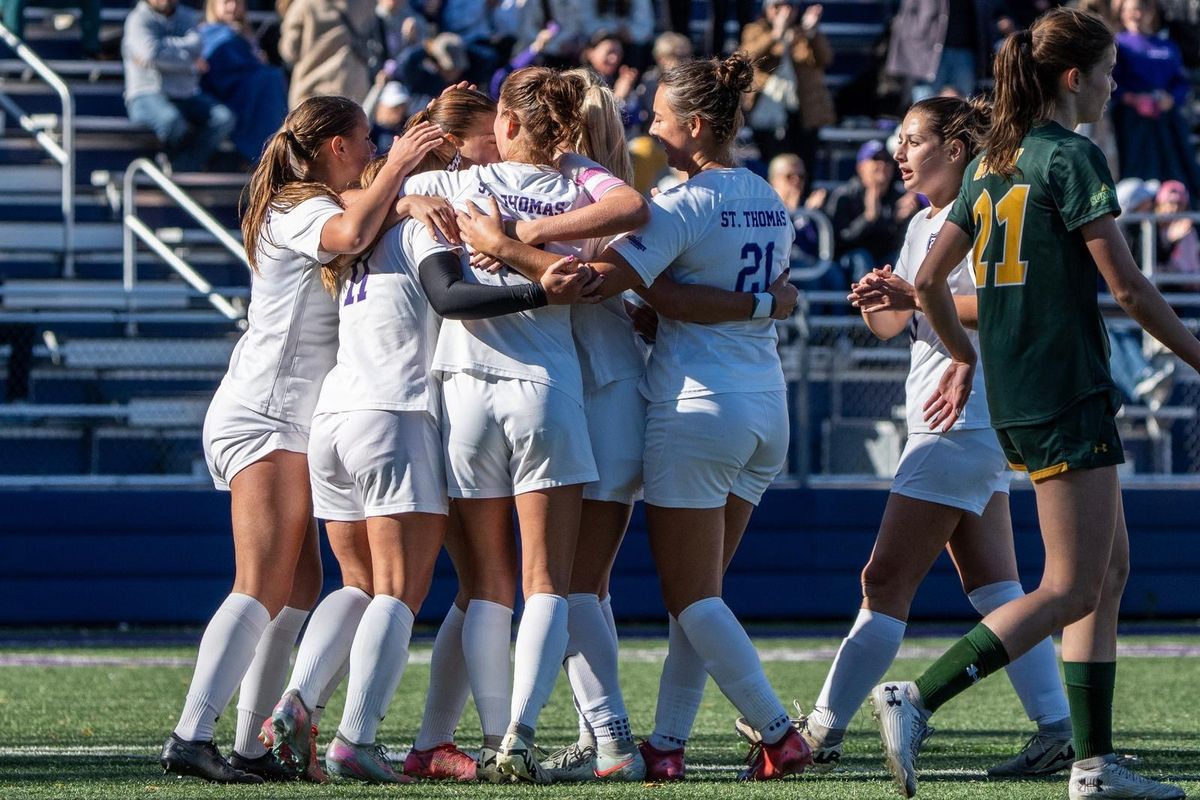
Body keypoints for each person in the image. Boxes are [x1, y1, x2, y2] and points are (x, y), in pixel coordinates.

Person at [454, 52, 810, 782]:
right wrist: (761, 304)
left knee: (675, 594)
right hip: (764, 402)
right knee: (698, 596)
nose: (650, 128)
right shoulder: (769, 198)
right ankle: (667, 746)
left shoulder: (678, 203)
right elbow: (724, 289)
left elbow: (591, 285)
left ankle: (778, 731)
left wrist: (500, 246)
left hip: (689, 405)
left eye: (662, 117)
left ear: (696, 123)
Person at [876, 9, 1198, 799]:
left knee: (1108, 571)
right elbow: (1126, 286)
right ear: (1073, 76)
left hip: (1023, 390)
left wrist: (957, 353)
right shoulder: (1069, 156)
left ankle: (1093, 765)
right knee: (1068, 587)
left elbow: (926, 284)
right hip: (1065, 386)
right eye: (1110, 70)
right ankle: (917, 697)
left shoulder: (993, 163)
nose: (1115, 83)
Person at [741, 96, 1074, 779]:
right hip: (953, 415)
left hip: (963, 415)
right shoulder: (925, 220)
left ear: (955, 150)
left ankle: (822, 732)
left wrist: (914, 296)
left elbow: (1004, 300)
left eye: (912, 140)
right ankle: (1058, 729)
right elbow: (899, 327)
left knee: (884, 577)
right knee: (996, 587)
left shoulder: (984, 210)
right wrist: (877, 301)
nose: (898, 152)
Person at [266, 141, 599, 785]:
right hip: (397, 413)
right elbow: (449, 297)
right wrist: (537, 292)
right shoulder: (423, 217)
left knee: (358, 584)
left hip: (335, 416)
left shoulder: (363, 219)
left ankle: (298, 699)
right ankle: (354, 740)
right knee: (400, 590)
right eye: (474, 149)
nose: (486, 164)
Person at [157, 95, 445, 785]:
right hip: (268, 411)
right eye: (367, 141)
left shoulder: (316, 202)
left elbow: (364, 224)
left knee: (299, 589)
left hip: (284, 412)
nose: (376, 149)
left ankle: (256, 748)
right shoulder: (297, 206)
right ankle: (191, 735)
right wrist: (402, 167)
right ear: (335, 147)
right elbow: (348, 234)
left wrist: (402, 199)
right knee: (259, 586)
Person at [397, 67, 649, 784]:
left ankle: (480, 736)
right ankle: (519, 735)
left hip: (464, 393)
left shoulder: (463, 185)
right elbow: (633, 206)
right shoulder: (579, 187)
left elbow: (368, 202)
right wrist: (539, 246)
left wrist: (413, 192)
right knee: (549, 582)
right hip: (547, 392)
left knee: (482, 583)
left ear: (504, 121)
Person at [123, 0, 236, 172]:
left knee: (223, 118)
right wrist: (189, 63)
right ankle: (168, 164)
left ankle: (182, 166)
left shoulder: (187, 16)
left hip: (186, 94)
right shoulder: (138, 19)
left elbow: (197, 45)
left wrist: (163, 50)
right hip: (145, 95)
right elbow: (151, 54)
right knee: (172, 121)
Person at [1112, 0, 1200, 197]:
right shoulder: (1118, 44)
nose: (1136, 15)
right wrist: (1133, 99)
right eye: (1131, 11)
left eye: (1140, 10)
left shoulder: (1167, 46)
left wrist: (1170, 98)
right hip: (1133, 122)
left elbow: (1180, 82)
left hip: (1166, 121)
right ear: (1122, 14)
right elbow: (1112, 83)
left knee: (1178, 170)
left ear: (1150, 12)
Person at [741, 0, 835, 171]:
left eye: (789, 6)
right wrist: (776, 33)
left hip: (803, 113)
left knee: (803, 167)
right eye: (777, 6)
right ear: (767, 9)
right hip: (768, 111)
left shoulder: (803, 33)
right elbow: (745, 57)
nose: (784, 11)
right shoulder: (756, 30)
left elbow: (825, 58)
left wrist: (811, 33)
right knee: (772, 165)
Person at [199, 0, 288, 163]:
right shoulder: (206, 33)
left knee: (271, 78)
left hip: (251, 91)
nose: (232, 7)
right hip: (226, 93)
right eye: (226, 2)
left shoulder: (246, 34)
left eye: (237, 2)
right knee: (269, 79)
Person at [279, 0, 379, 108]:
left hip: (312, 87)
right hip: (354, 85)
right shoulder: (363, 3)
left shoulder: (304, 4)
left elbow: (290, 51)